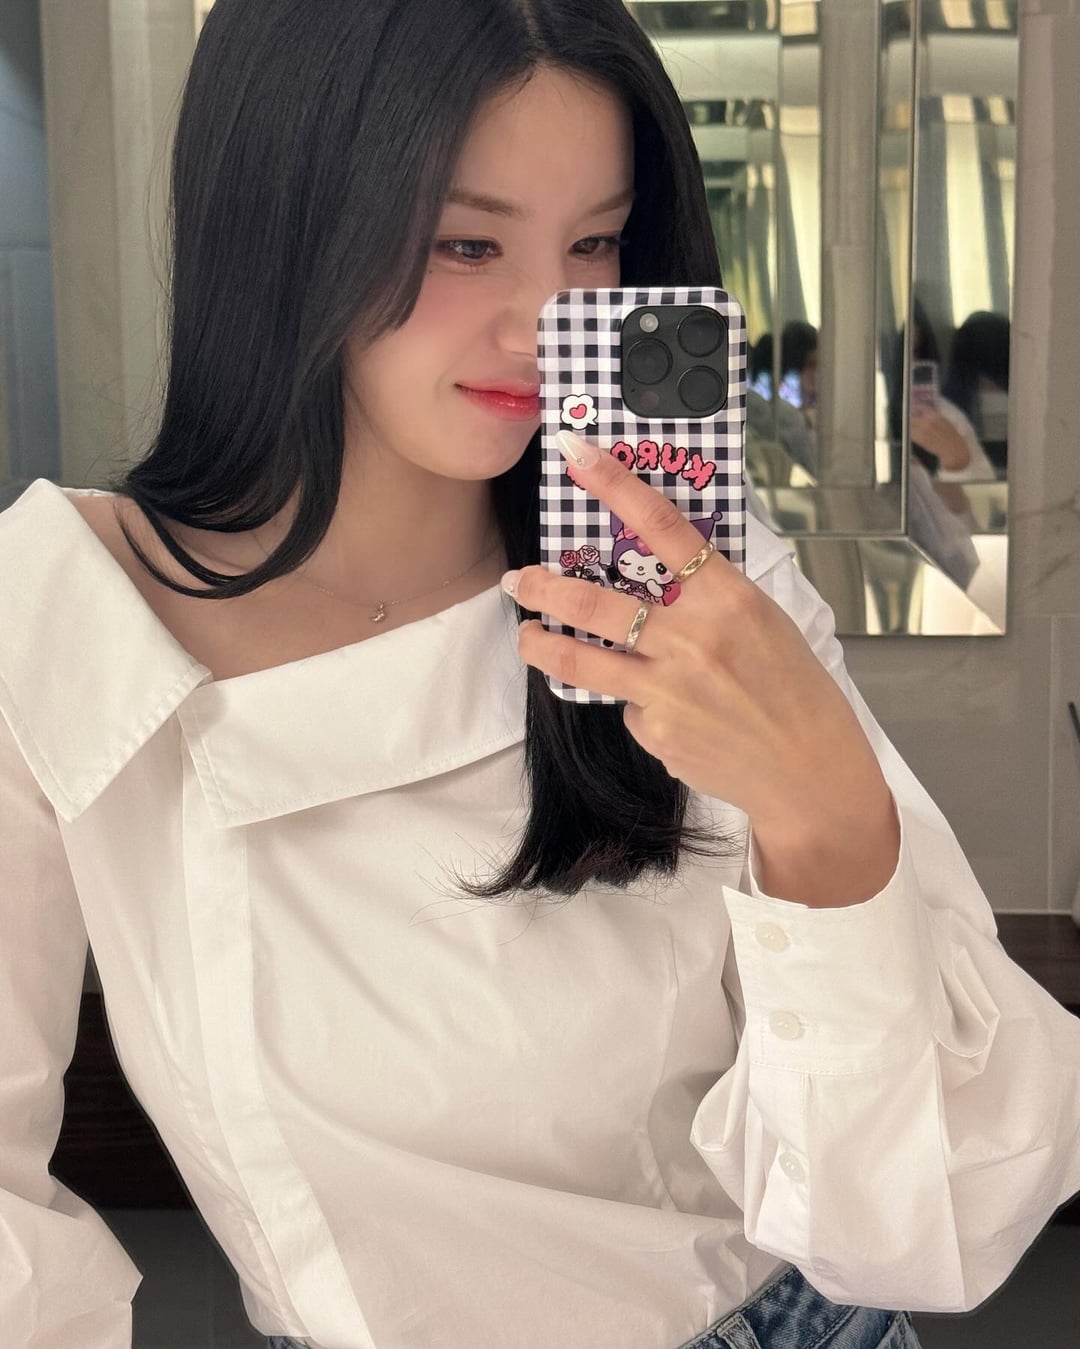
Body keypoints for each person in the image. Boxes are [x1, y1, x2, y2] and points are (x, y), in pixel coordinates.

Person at [0, 3, 1077, 1348]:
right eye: (467, 243)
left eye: (596, 242)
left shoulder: (693, 571)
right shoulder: (65, 616)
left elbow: (920, 1221)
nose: (551, 320)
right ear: (282, 218)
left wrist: (827, 820)